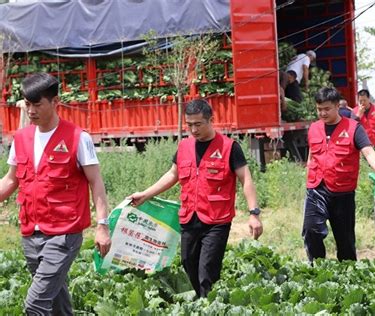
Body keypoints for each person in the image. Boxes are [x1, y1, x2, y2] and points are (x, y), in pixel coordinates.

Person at [0, 73, 111, 315]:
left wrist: (102, 225)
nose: (31, 111)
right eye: (27, 104)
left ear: (55, 101)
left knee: (35, 303)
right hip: (31, 232)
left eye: (38, 104)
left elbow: (96, 183)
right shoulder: (21, 138)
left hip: (64, 234)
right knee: (55, 298)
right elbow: (10, 180)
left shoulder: (77, 138)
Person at [128, 99, 263, 298]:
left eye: (198, 124)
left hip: (217, 221)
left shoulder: (229, 147)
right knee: (188, 263)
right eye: (189, 124)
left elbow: (246, 179)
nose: (193, 129)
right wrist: (146, 194)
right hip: (190, 217)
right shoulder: (184, 146)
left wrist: (254, 213)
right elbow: (172, 175)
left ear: (211, 120)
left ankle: (208, 306)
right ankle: (203, 302)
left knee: (207, 271)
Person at [304, 87, 375, 262]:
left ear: (338, 106)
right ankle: (316, 269)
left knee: (345, 241)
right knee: (311, 229)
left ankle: (348, 276)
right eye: (319, 109)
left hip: (342, 193)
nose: (322, 113)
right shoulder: (314, 128)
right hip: (316, 189)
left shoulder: (353, 128)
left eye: (327, 109)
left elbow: (368, 152)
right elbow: (311, 155)